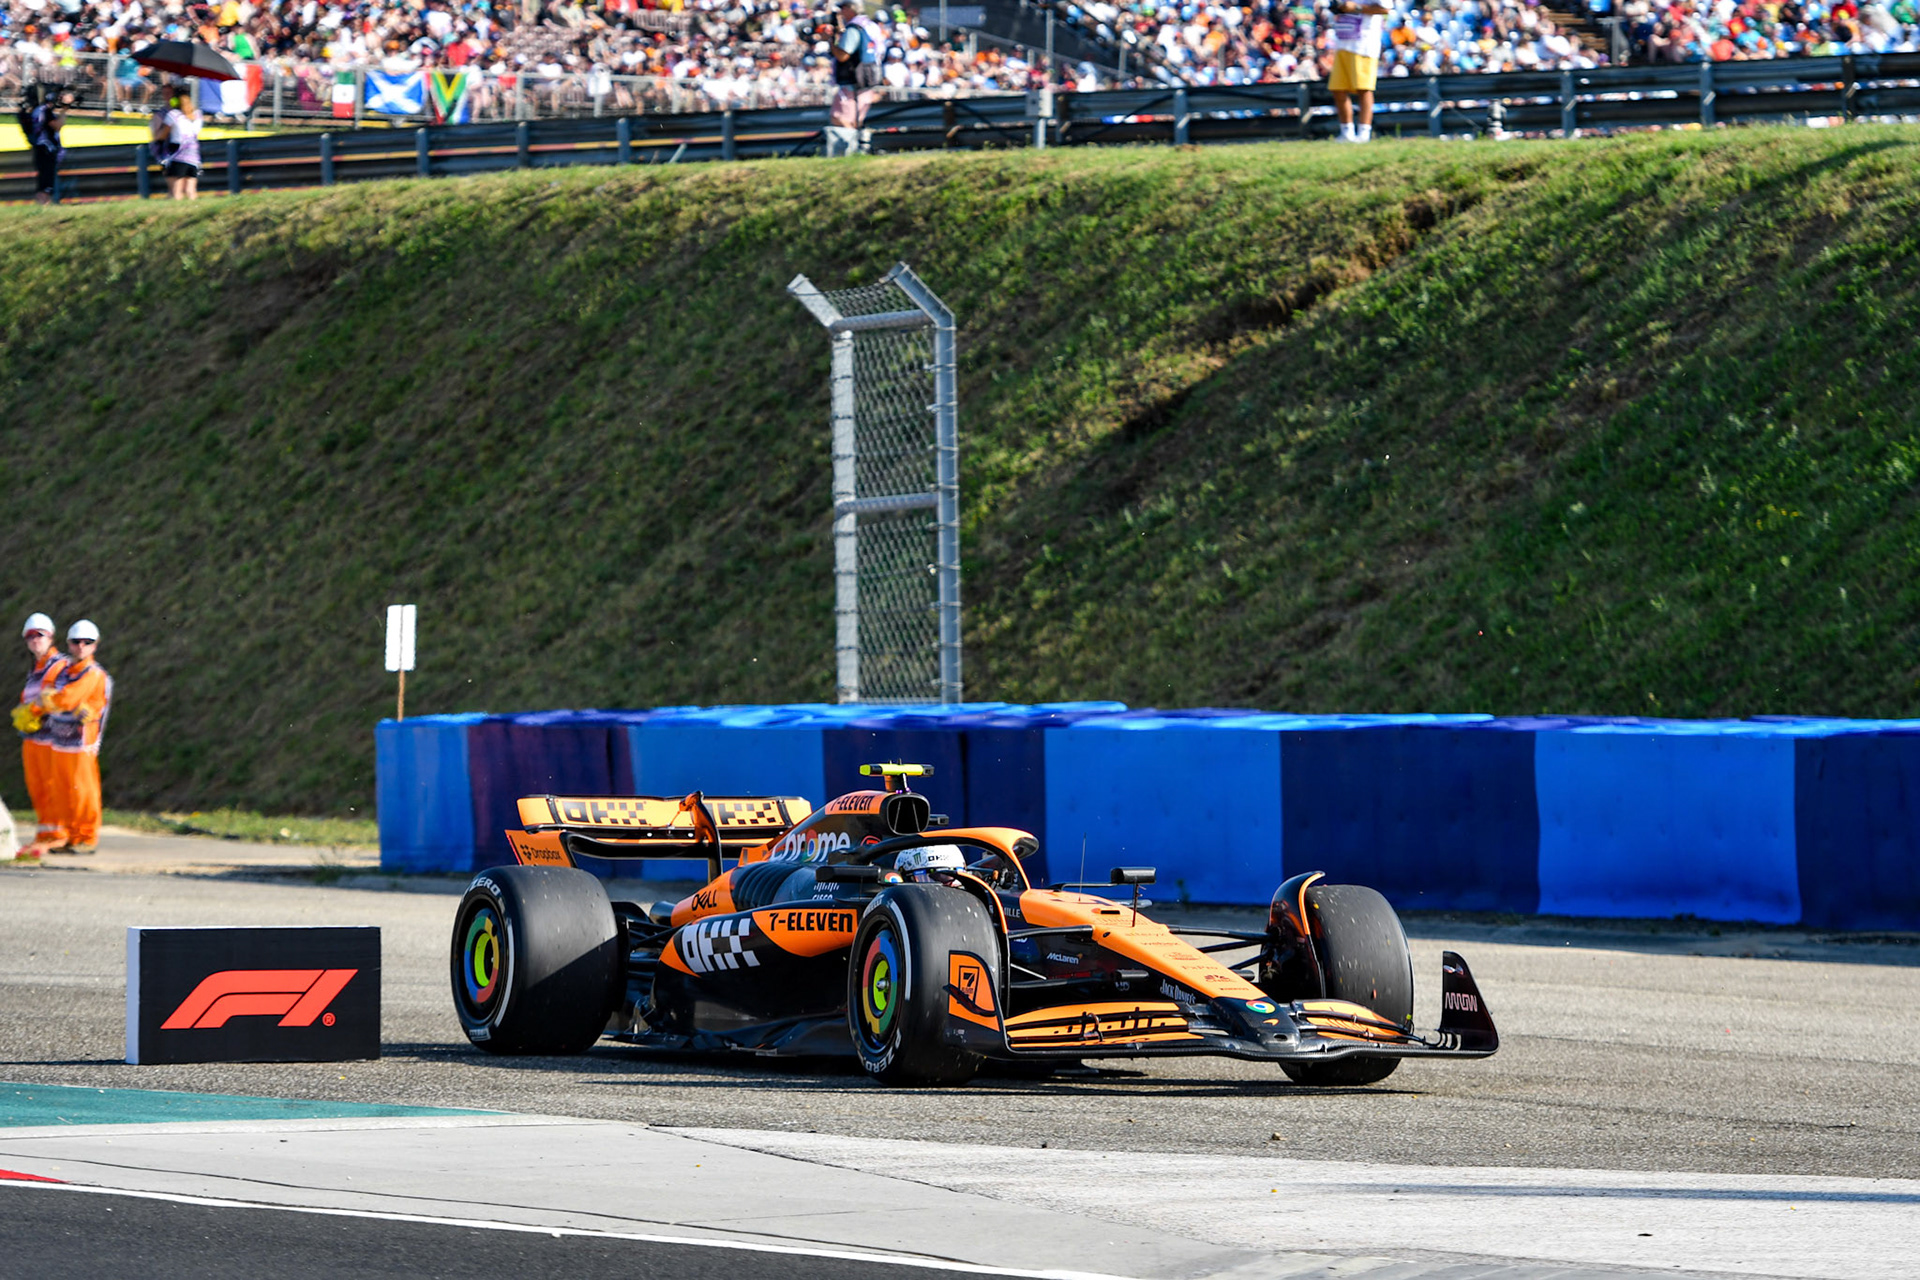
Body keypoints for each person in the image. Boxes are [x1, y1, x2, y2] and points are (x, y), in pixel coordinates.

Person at [31, 620, 112, 857]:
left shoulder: (93, 674)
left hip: (81, 743)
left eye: (87, 642)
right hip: (59, 741)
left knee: (82, 791)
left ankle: (86, 837)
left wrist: (52, 699)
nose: (81, 646)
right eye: (76, 642)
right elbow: (45, 691)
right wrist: (52, 699)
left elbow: (67, 698)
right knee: (63, 791)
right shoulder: (62, 670)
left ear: (95, 645)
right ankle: (70, 836)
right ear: (68, 643)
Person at [12, 613, 69, 861]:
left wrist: (35, 710)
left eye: (40, 635)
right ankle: (45, 833)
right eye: (30, 636)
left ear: (51, 637)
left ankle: (60, 834)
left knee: (52, 786)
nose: (35, 640)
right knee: (38, 788)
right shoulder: (35, 669)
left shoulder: (60, 665)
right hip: (33, 739)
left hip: (51, 739)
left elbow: (61, 699)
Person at [1328, 0, 1391, 143]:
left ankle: (1364, 133)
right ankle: (1347, 133)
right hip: (1342, 42)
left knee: (1364, 89)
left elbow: (1385, 9)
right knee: (1338, 89)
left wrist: (1356, 7)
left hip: (1364, 44)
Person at [827, 0, 884, 156]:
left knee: (839, 118)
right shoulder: (870, 25)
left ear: (849, 8)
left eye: (843, 8)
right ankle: (859, 149)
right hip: (867, 79)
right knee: (855, 120)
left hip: (852, 82)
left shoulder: (854, 28)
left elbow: (843, 55)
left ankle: (853, 150)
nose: (840, 13)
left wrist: (830, 41)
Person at [21, 86, 75, 205]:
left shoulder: (30, 111)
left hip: (38, 148)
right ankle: (44, 204)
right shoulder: (44, 110)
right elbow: (57, 126)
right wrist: (64, 109)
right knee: (46, 181)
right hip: (46, 148)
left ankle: (45, 203)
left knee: (44, 179)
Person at [152, 86, 204, 200]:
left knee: (176, 192)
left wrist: (156, 134)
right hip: (193, 155)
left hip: (177, 154)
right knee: (191, 191)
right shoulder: (198, 114)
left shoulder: (174, 114)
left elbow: (162, 135)